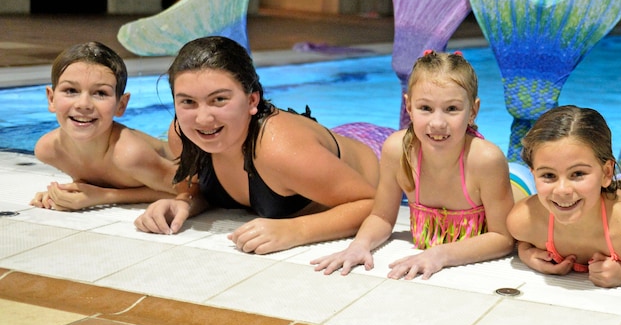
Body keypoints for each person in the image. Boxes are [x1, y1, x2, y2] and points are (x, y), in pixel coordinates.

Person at [134, 36, 380, 254]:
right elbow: (201, 189)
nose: (203, 119)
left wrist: (295, 230)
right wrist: (183, 201)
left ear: (252, 100)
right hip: (322, 148)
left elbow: (371, 203)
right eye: (188, 102)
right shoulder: (184, 136)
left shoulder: (279, 150)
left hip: (378, 150)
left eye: (219, 100)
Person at [312, 50, 515, 278]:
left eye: (452, 109)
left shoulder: (486, 160)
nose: (437, 123)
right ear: (408, 107)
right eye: (425, 108)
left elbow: (504, 238)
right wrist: (359, 245)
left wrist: (440, 255)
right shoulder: (398, 151)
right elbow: (381, 217)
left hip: (514, 184)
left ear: (473, 111)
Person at [508, 105, 621, 287]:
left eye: (577, 174)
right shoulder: (523, 221)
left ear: (607, 173)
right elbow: (521, 241)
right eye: (548, 175)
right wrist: (525, 252)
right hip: (602, 191)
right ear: (533, 173)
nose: (562, 190)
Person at [31, 41, 180, 211]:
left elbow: (193, 189)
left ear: (121, 105)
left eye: (100, 93)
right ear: (51, 99)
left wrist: (103, 196)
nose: (83, 104)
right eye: (71, 90)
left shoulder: (129, 154)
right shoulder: (49, 150)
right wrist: (61, 194)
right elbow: (98, 180)